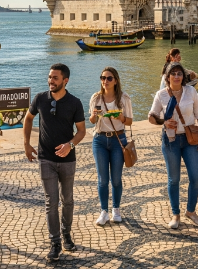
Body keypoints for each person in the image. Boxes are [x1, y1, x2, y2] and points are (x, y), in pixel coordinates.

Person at [23, 63, 86, 262]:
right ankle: (55, 242)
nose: (51, 81)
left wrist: (70, 145)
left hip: (67, 160)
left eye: (55, 78)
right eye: (50, 77)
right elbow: (28, 118)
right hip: (45, 158)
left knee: (67, 200)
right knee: (51, 202)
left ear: (65, 80)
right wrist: (26, 144)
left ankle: (66, 234)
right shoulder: (40, 98)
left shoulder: (75, 103)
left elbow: (82, 131)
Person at [148, 62, 198, 229]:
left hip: (190, 140)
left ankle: (191, 211)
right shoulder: (161, 95)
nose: (176, 76)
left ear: (183, 76)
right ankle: (176, 214)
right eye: (173, 73)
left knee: (196, 177)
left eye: (179, 73)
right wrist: (163, 122)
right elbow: (151, 117)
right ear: (167, 77)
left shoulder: (191, 91)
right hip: (170, 141)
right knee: (174, 179)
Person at [88, 67, 133, 226]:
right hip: (99, 140)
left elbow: (130, 121)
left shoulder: (124, 99)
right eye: (102, 78)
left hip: (118, 139)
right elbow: (92, 121)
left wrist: (121, 117)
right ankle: (104, 212)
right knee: (102, 179)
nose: (105, 81)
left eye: (109, 78)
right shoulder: (96, 98)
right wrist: (93, 116)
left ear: (116, 81)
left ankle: (116, 209)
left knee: (116, 178)